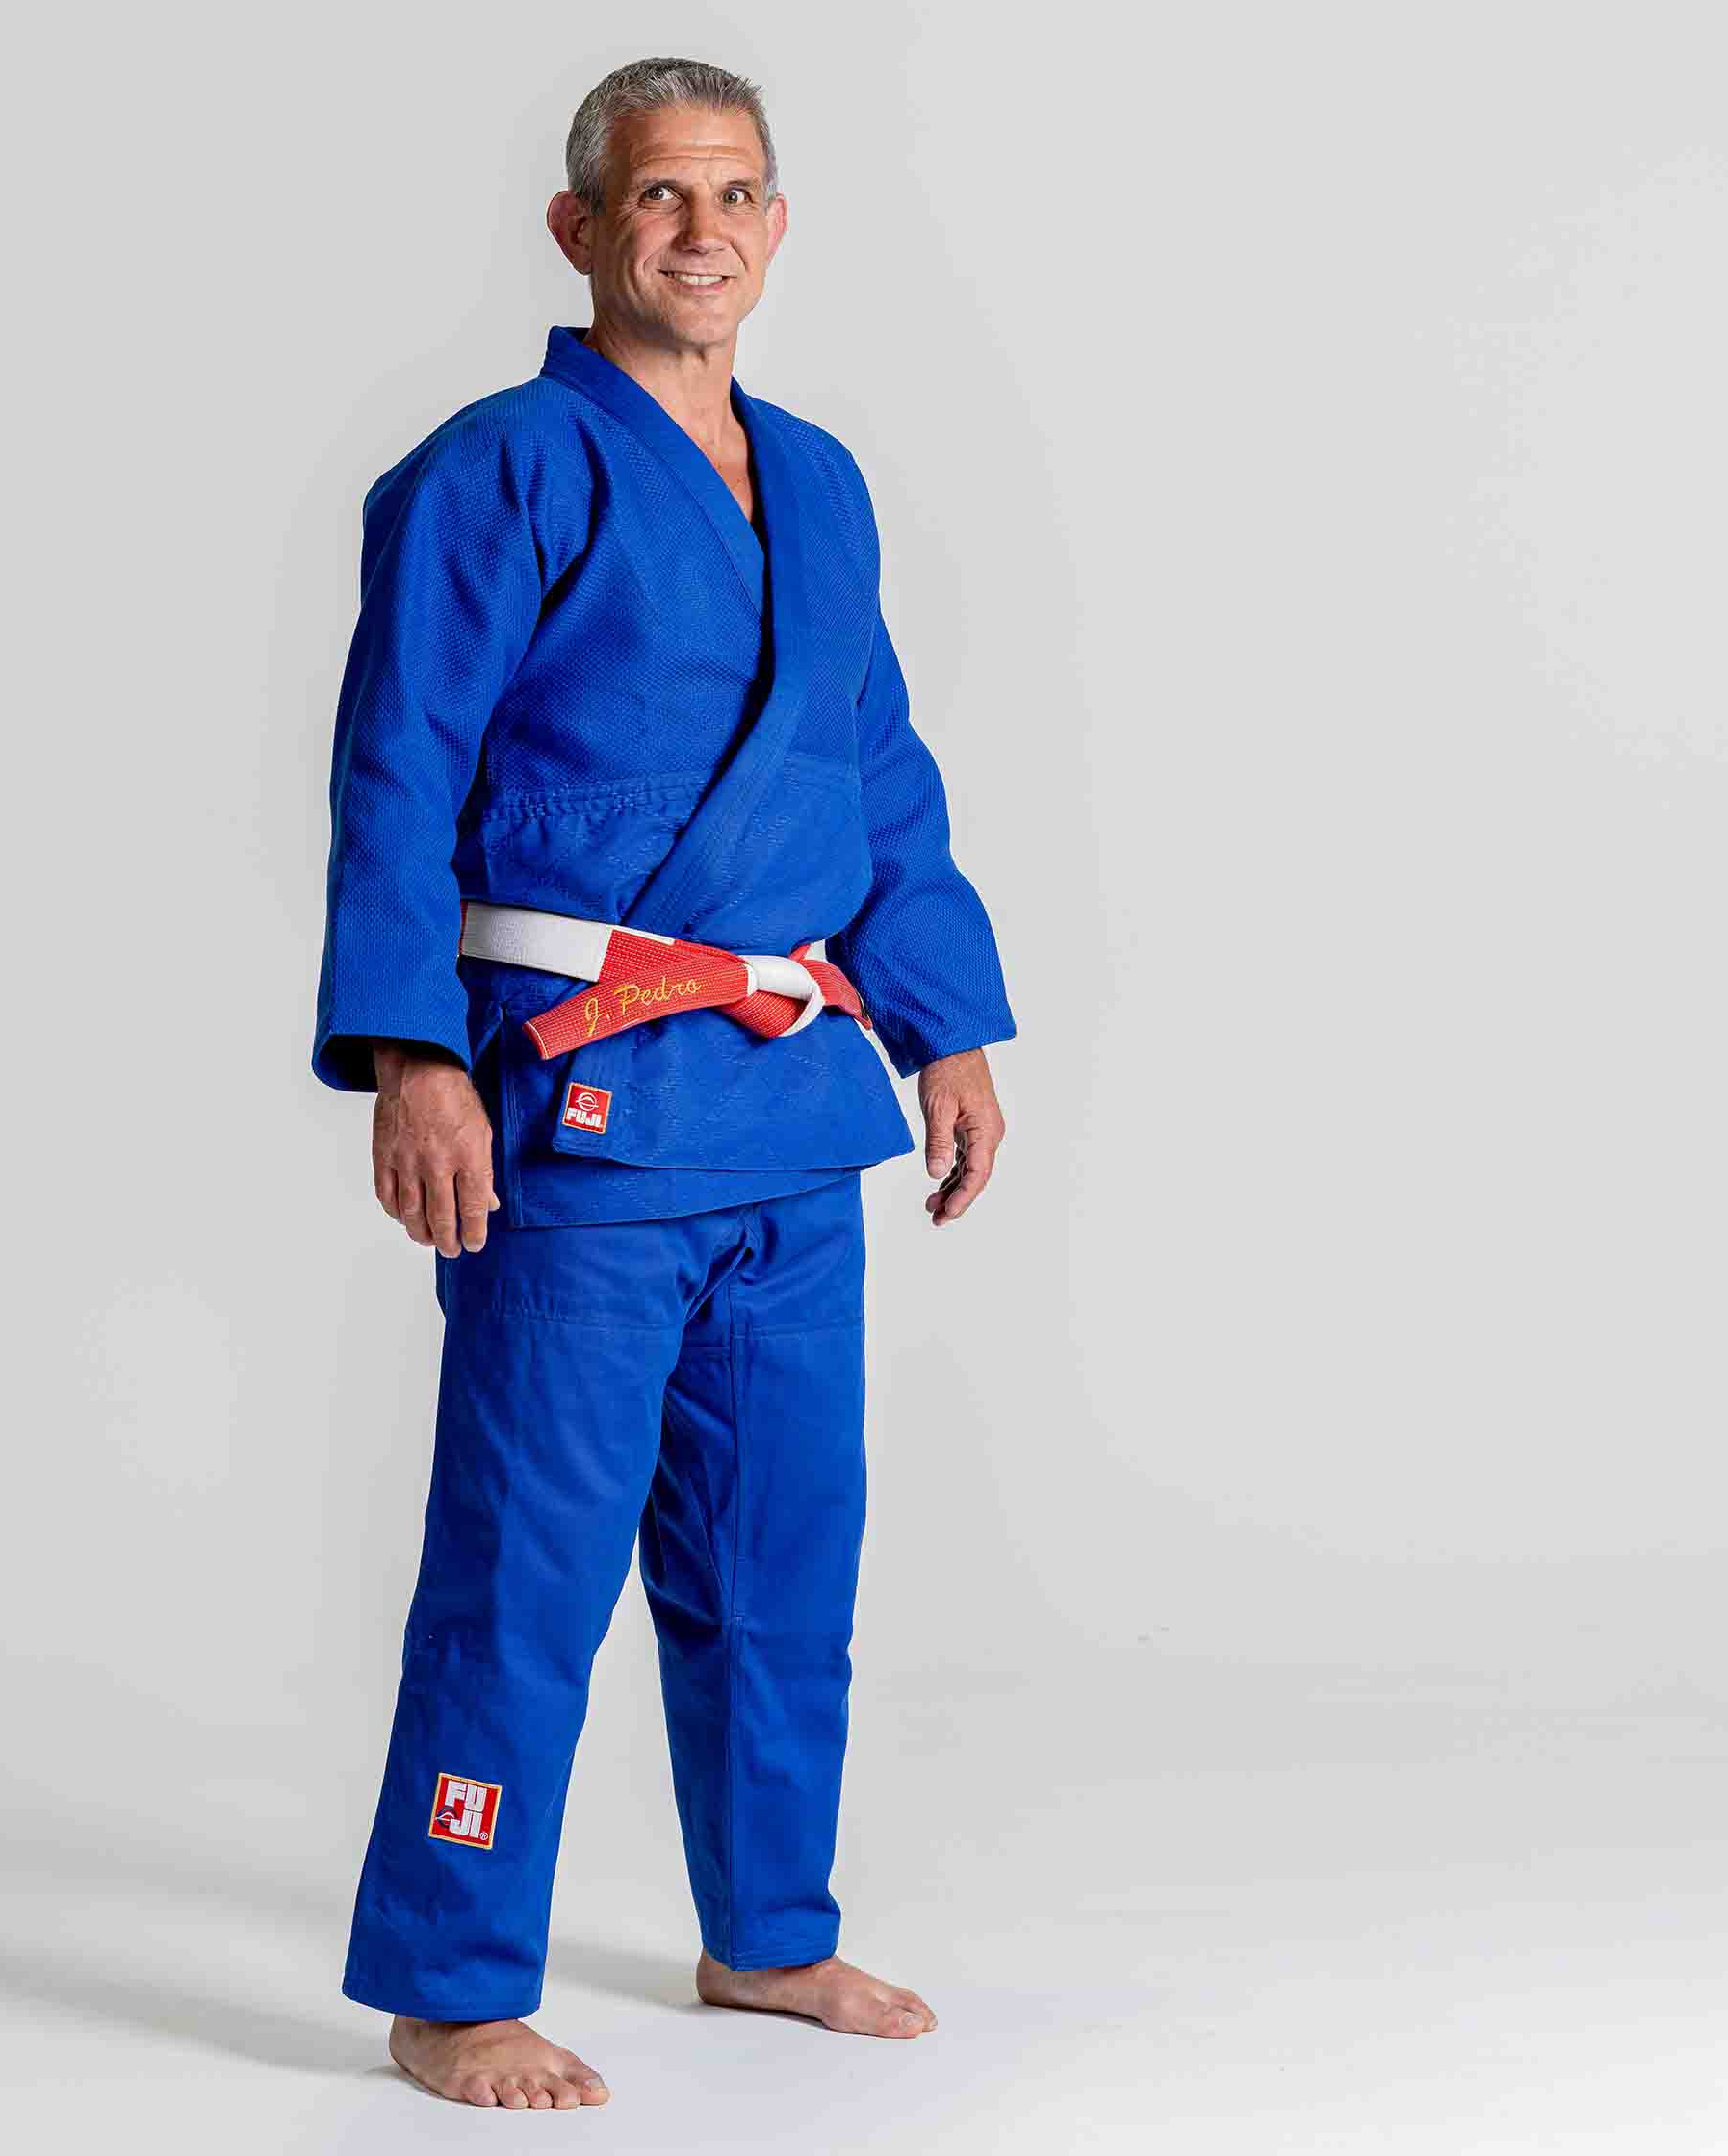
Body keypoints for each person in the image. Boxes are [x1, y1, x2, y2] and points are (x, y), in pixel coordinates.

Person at [311, 54, 1016, 2111]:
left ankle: (768, 1933)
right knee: (528, 1561)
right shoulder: (497, 471)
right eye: (655, 196)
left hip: (794, 1113)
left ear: (777, 231)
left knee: (787, 1551)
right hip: (585, 1120)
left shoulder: (822, 481)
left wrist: (945, 1016)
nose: (698, 231)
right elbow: (396, 777)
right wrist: (410, 1055)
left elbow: (873, 773)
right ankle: (452, 1978)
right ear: (580, 230)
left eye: (734, 195)